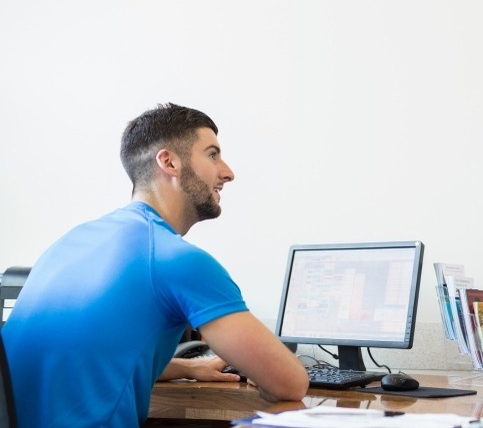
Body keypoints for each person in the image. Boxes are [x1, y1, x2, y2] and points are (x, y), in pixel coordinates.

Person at [1, 103, 309, 427]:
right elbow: (290, 383)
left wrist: (187, 368)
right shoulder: (177, 260)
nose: (227, 172)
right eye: (213, 154)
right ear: (169, 162)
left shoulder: (71, 243)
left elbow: (91, 354)